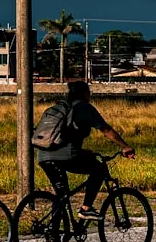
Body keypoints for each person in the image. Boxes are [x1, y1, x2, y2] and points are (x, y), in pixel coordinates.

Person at [37, 81, 135, 220]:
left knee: (61, 196)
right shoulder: (84, 108)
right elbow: (106, 130)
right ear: (85, 94)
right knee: (99, 169)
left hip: (43, 156)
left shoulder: (57, 108)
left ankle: (53, 234)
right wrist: (125, 147)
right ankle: (86, 208)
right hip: (67, 156)